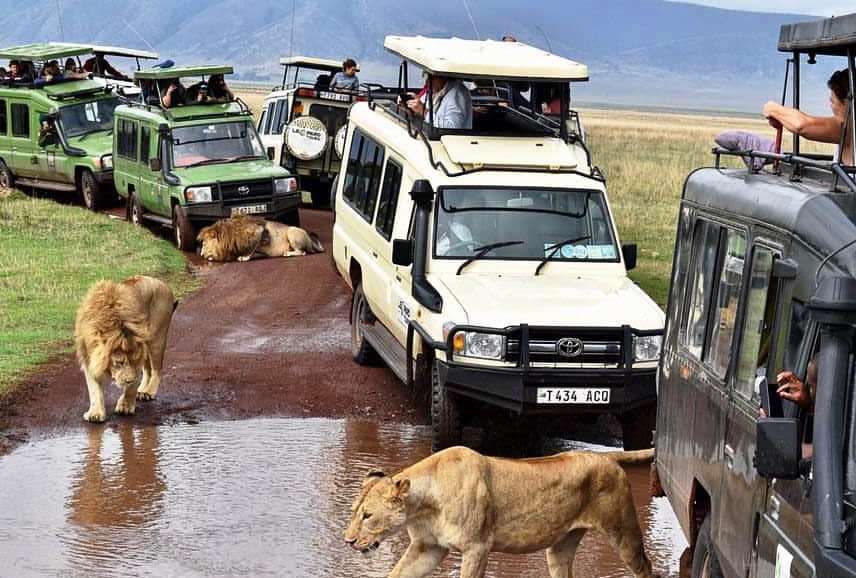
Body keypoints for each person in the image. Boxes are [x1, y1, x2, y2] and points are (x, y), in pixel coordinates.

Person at [763, 69, 853, 165]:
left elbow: (801, 125)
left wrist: (772, 108)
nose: (831, 106)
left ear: (848, 102)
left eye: (833, 101)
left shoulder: (848, 128)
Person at [405, 73, 473, 130]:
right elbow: (421, 107)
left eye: (431, 77)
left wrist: (425, 112)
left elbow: (453, 128)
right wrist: (410, 105)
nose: (427, 81)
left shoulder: (457, 94)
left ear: (443, 77)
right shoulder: (436, 90)